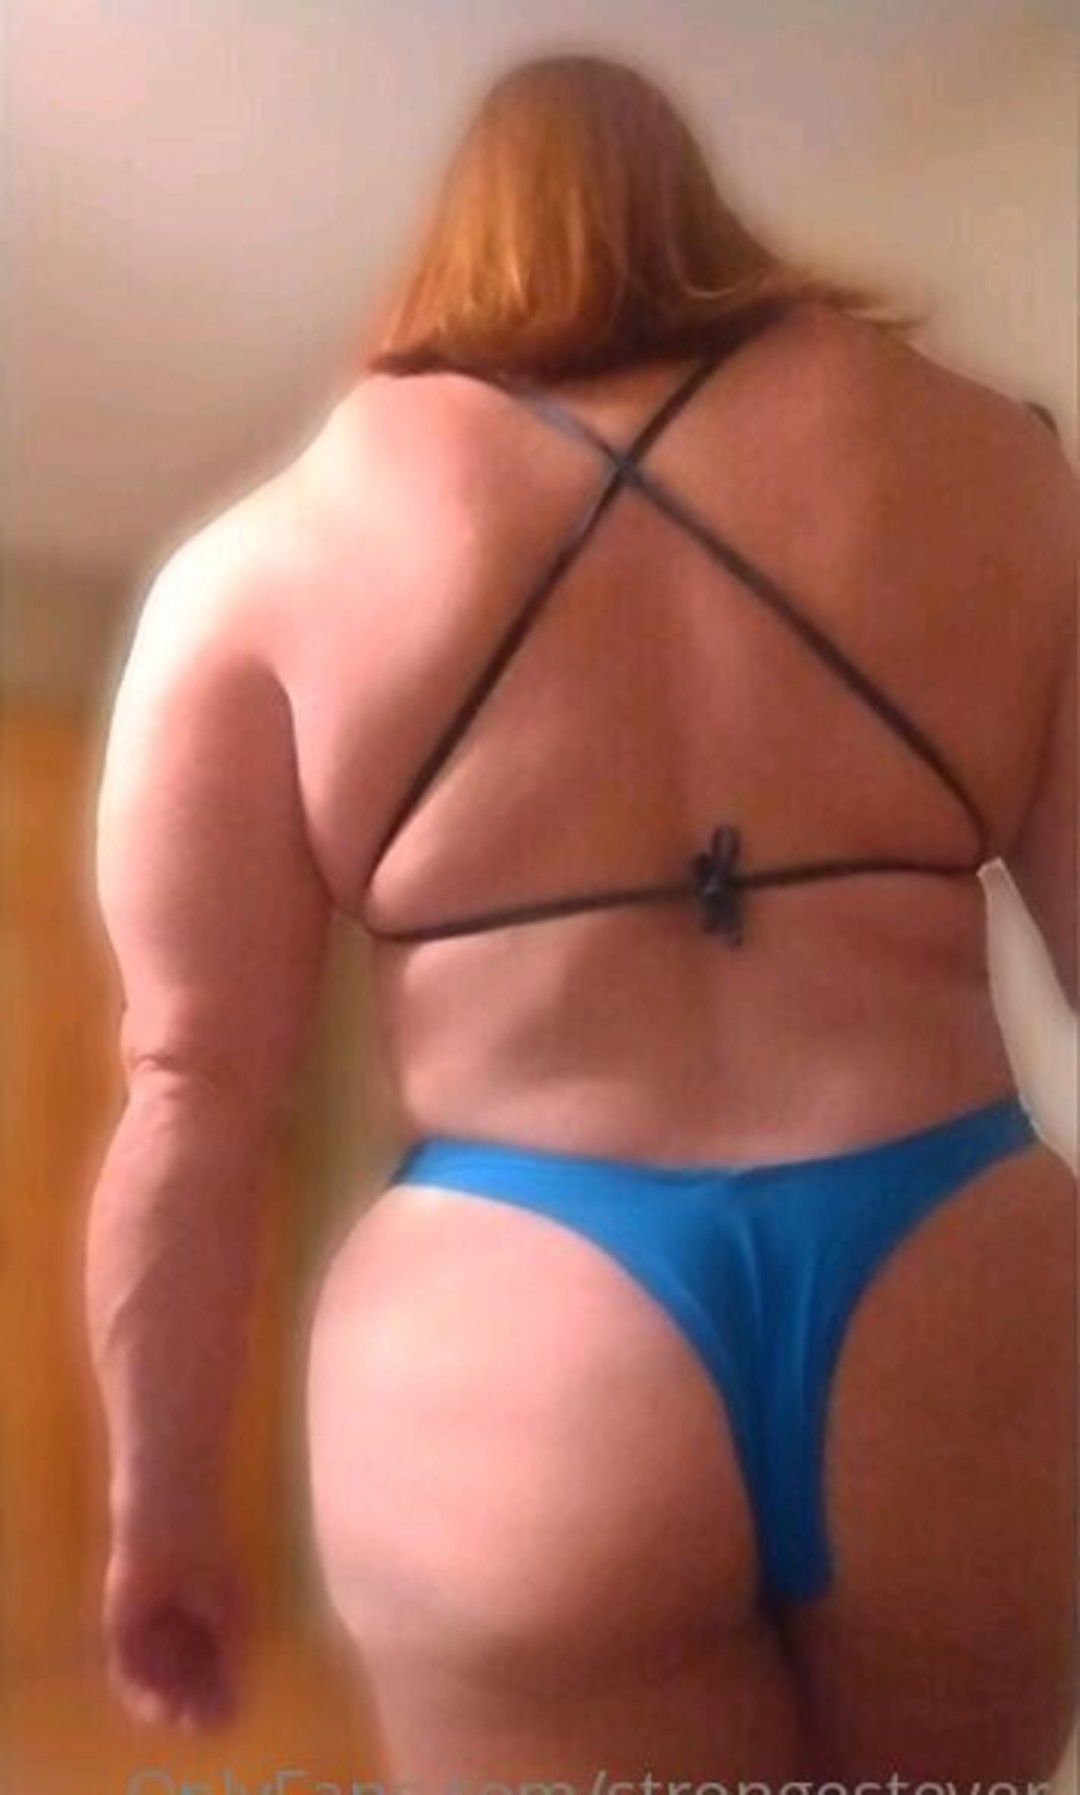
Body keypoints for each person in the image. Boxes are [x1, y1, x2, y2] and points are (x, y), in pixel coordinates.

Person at [83, 49, 1076, 1785]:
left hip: (523, 1340)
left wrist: (160, 1524)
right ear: (699, 215)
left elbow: (191, 1104)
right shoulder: (999, 472)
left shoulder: (268, 561)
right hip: (962, 1289)